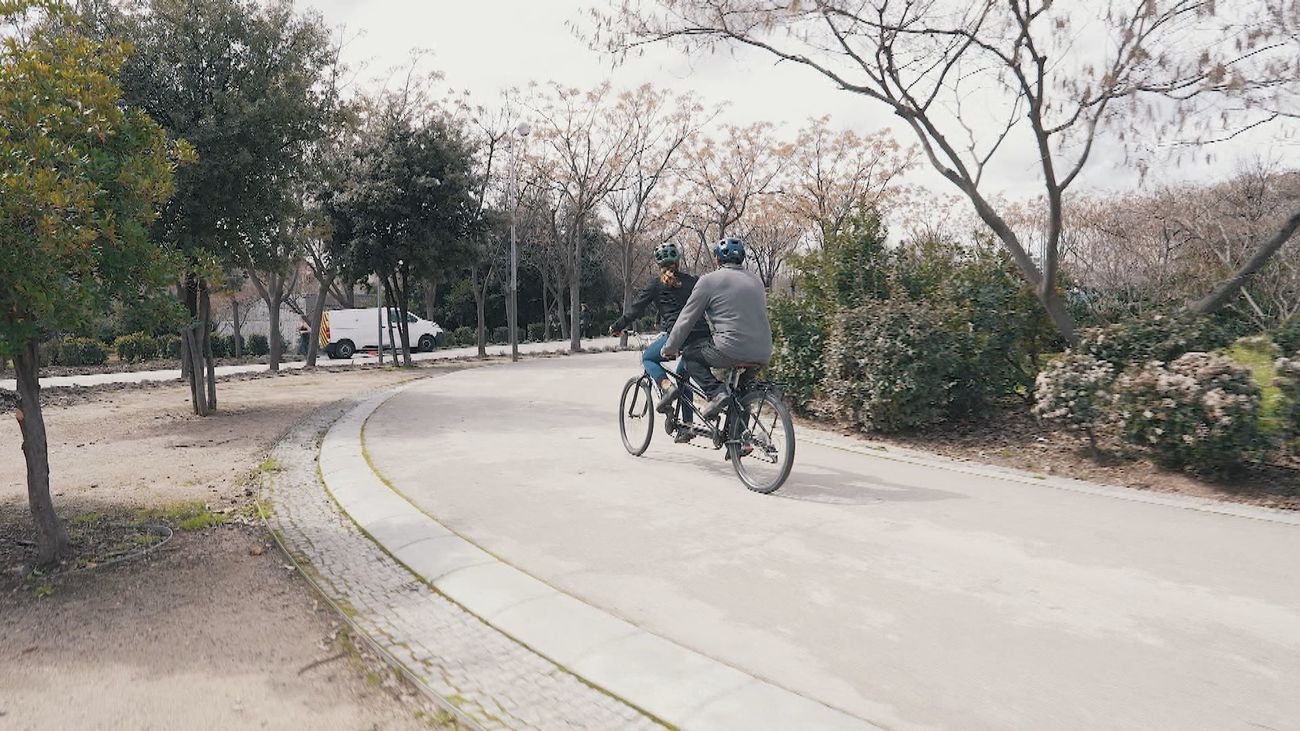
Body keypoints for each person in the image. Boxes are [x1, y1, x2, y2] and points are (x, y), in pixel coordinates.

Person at [661, 236, 773, 419]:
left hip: (731, 348)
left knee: (690, 357)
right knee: (741, 395)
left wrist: (670, 348)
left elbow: (686, 318)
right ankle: (740, 442)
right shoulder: (756, 281)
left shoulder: (708, 281)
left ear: (718, 259)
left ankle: (716, 393)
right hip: (763, 349)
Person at [610, 241, 711, 442]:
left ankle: (666, 386)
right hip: (701, 334)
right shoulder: (692, 281)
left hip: (677, 335)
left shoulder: (656, 284)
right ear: (678, 262)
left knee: (648, 358)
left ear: (659, 264)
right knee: (683, 373)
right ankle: (687, 426)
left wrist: (617, 326)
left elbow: (636, 309)